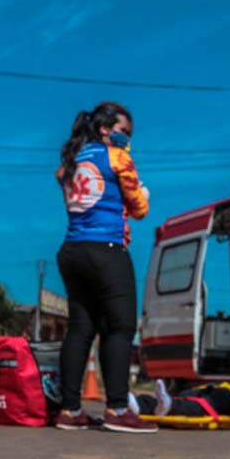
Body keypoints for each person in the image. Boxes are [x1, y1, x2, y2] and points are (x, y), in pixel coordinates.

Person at [54, 102, 157, 433]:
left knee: (81, 328)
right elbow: (138, 209)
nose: (127, 139)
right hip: (107, 250)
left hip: (72, 251)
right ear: (105, 129)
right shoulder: (118, 158)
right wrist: (143, 194)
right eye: (124, 131)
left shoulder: (69, 164)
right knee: (121, 327)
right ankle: (117, 409)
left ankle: (69, 411)